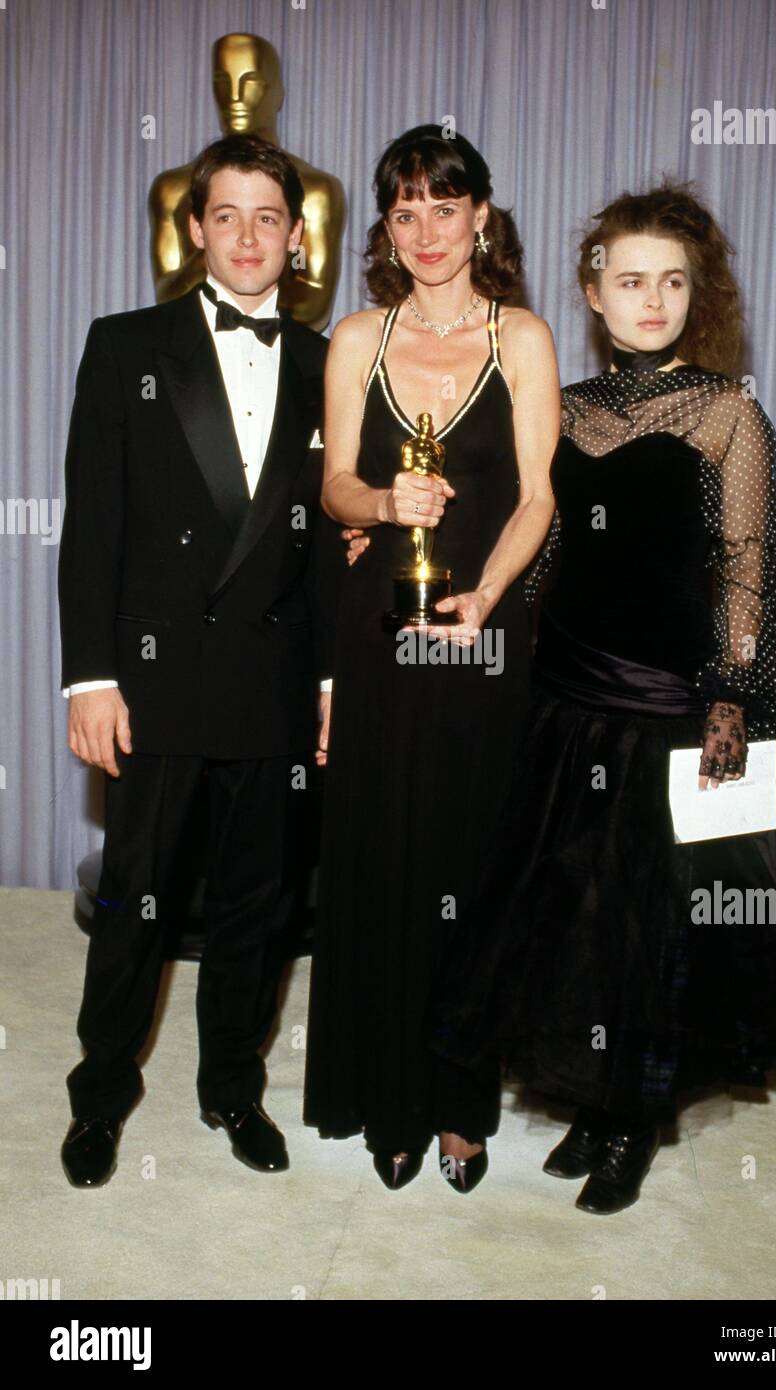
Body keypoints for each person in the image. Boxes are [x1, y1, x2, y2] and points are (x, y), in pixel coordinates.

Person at [428, 181, 776, 1214]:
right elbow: (539, 555)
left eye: (671, 282)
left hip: (671, 704)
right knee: (572, 916)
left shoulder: (726, 411)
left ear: (693, 294)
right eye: (629, 280)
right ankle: (590, 1101)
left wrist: (729, 694)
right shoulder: (570, 409)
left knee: (654, 927)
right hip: (564, 697)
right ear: (593, 291)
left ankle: (632, 1116)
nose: (650, 299)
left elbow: (745, 564)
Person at [58, 134, 332, 1186]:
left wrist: (326, 685)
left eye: (269, 216)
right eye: (228, 214)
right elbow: (96, 527)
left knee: (257, 909)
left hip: (271, 681)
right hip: (156, 678)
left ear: (295, 236)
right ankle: (100, 1095)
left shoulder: (326, 361)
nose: (249, 235)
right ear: (193, 229)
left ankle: (232, 1088)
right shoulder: (124, 345)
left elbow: (318, 549)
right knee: (136, 898)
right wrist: (90, 676)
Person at [302, 125, 559, 1191]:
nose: (425, 231)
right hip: (380, 639)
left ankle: (460, 1105)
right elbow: (334, 492)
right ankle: (390, 1100)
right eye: (404, 211)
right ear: (386, 227)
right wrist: (380, 500)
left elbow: (540, 496)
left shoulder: (524, 339)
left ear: (480, 217)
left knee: (469, 864)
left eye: (442, 208)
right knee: (383, 860)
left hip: (485, 636)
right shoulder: (356, 336)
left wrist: (486, 601)